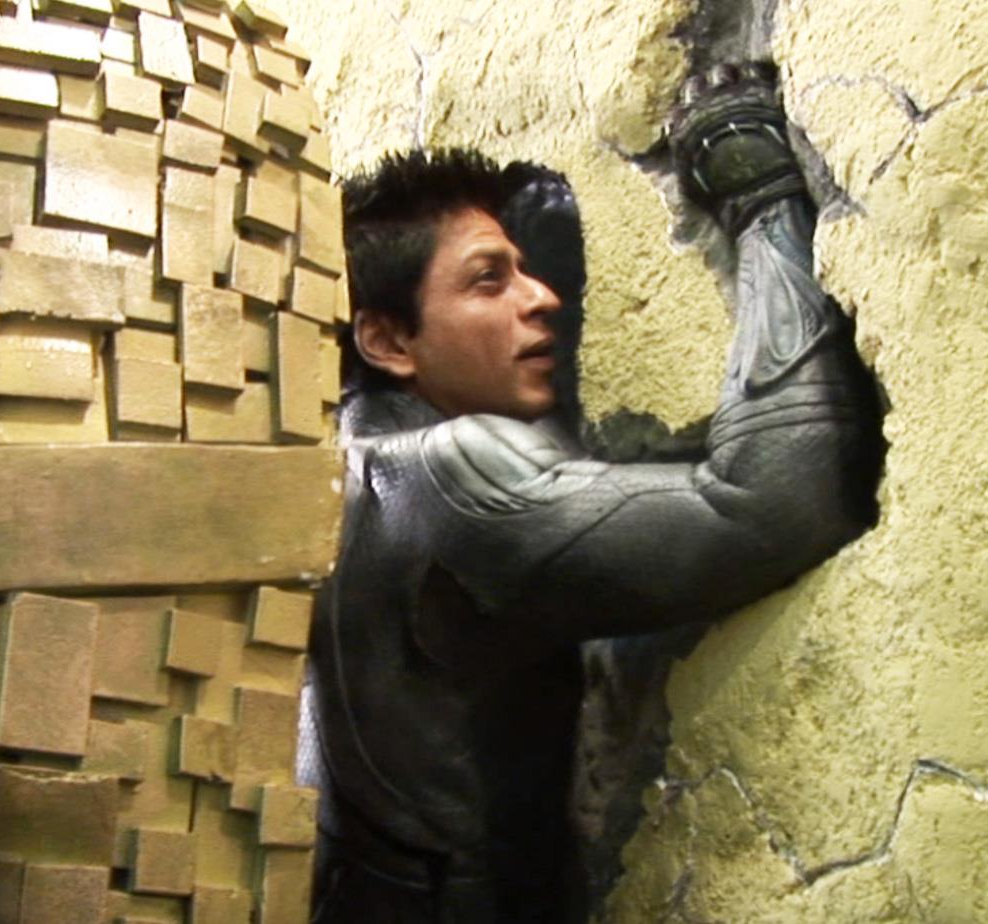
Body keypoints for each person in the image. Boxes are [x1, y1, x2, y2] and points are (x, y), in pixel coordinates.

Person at [305, 62, 884, 923]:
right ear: (387, 341)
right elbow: (775, 502)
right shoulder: (451, 471)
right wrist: (761, 197)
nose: (541, 298)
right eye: (488, 280)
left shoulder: (325, 469)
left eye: (526, 270)